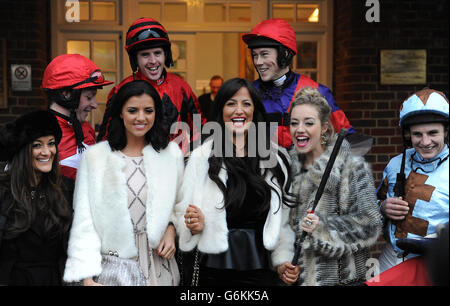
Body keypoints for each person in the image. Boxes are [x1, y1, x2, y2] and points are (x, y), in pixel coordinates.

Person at [173, 78, 299, 286]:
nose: (238, 110)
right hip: (212, 272)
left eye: (246, 104)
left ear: (255, 111)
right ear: (220, 110)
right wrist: (195, 226)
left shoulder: (276, 158)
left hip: (262, 270)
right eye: (231, 103)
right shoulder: (201, 158)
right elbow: (182, 213)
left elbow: (283, 223)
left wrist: (283, 261)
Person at [63, 80, 183, 286]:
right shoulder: (96, 157)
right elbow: (84, 220)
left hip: (159, 265)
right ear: (120, 112)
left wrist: (172, 228)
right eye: (133, 110)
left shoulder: (170, 154)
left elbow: (181, 204)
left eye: (148, 110)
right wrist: (86, 277)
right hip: (111, 268)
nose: (141, 118)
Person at [288, 87, 382, 286]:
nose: (300, 129)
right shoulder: (287, 168)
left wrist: (323, 228)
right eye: (294, 123)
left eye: (309, 123)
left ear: (323, 127)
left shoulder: (352, 167)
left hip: (344, 279)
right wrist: (283, 264)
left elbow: (371, 224)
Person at [242, 19, 372, 155]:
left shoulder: (317, 91)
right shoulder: (247, 94)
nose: (258, 62)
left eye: (264, 54)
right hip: (262, 173)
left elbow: (348, 139)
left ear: (284, 53)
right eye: (255, 55)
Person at [97, 17, 206, 153]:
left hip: (174, 167)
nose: (153, 61)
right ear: (135, 58)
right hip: (134, 166)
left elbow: (200, 129)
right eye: (145, 55)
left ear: (166, 55)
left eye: (157, 53)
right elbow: (106, 139)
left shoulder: (181, 87)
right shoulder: (120, 90)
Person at [376, 88, 449, 274]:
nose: (425, 142)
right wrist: (383, 207)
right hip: (391, 259)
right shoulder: (394, 165)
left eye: (433, 133)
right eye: (417, 134)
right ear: (408, 134)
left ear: (446, 131)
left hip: (435, 265)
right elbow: (370, 207)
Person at [0, 110, 72, 285]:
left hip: (56, 279)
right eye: (37, 145)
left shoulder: (67, 188)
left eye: (51, 143)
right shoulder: (4, 191)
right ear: (23, 150)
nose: (46, 152)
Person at [41, 53, 113, 186]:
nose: (95, 105)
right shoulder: (38, 133)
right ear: (66, 94)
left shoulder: (85, 128)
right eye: (89, 97)